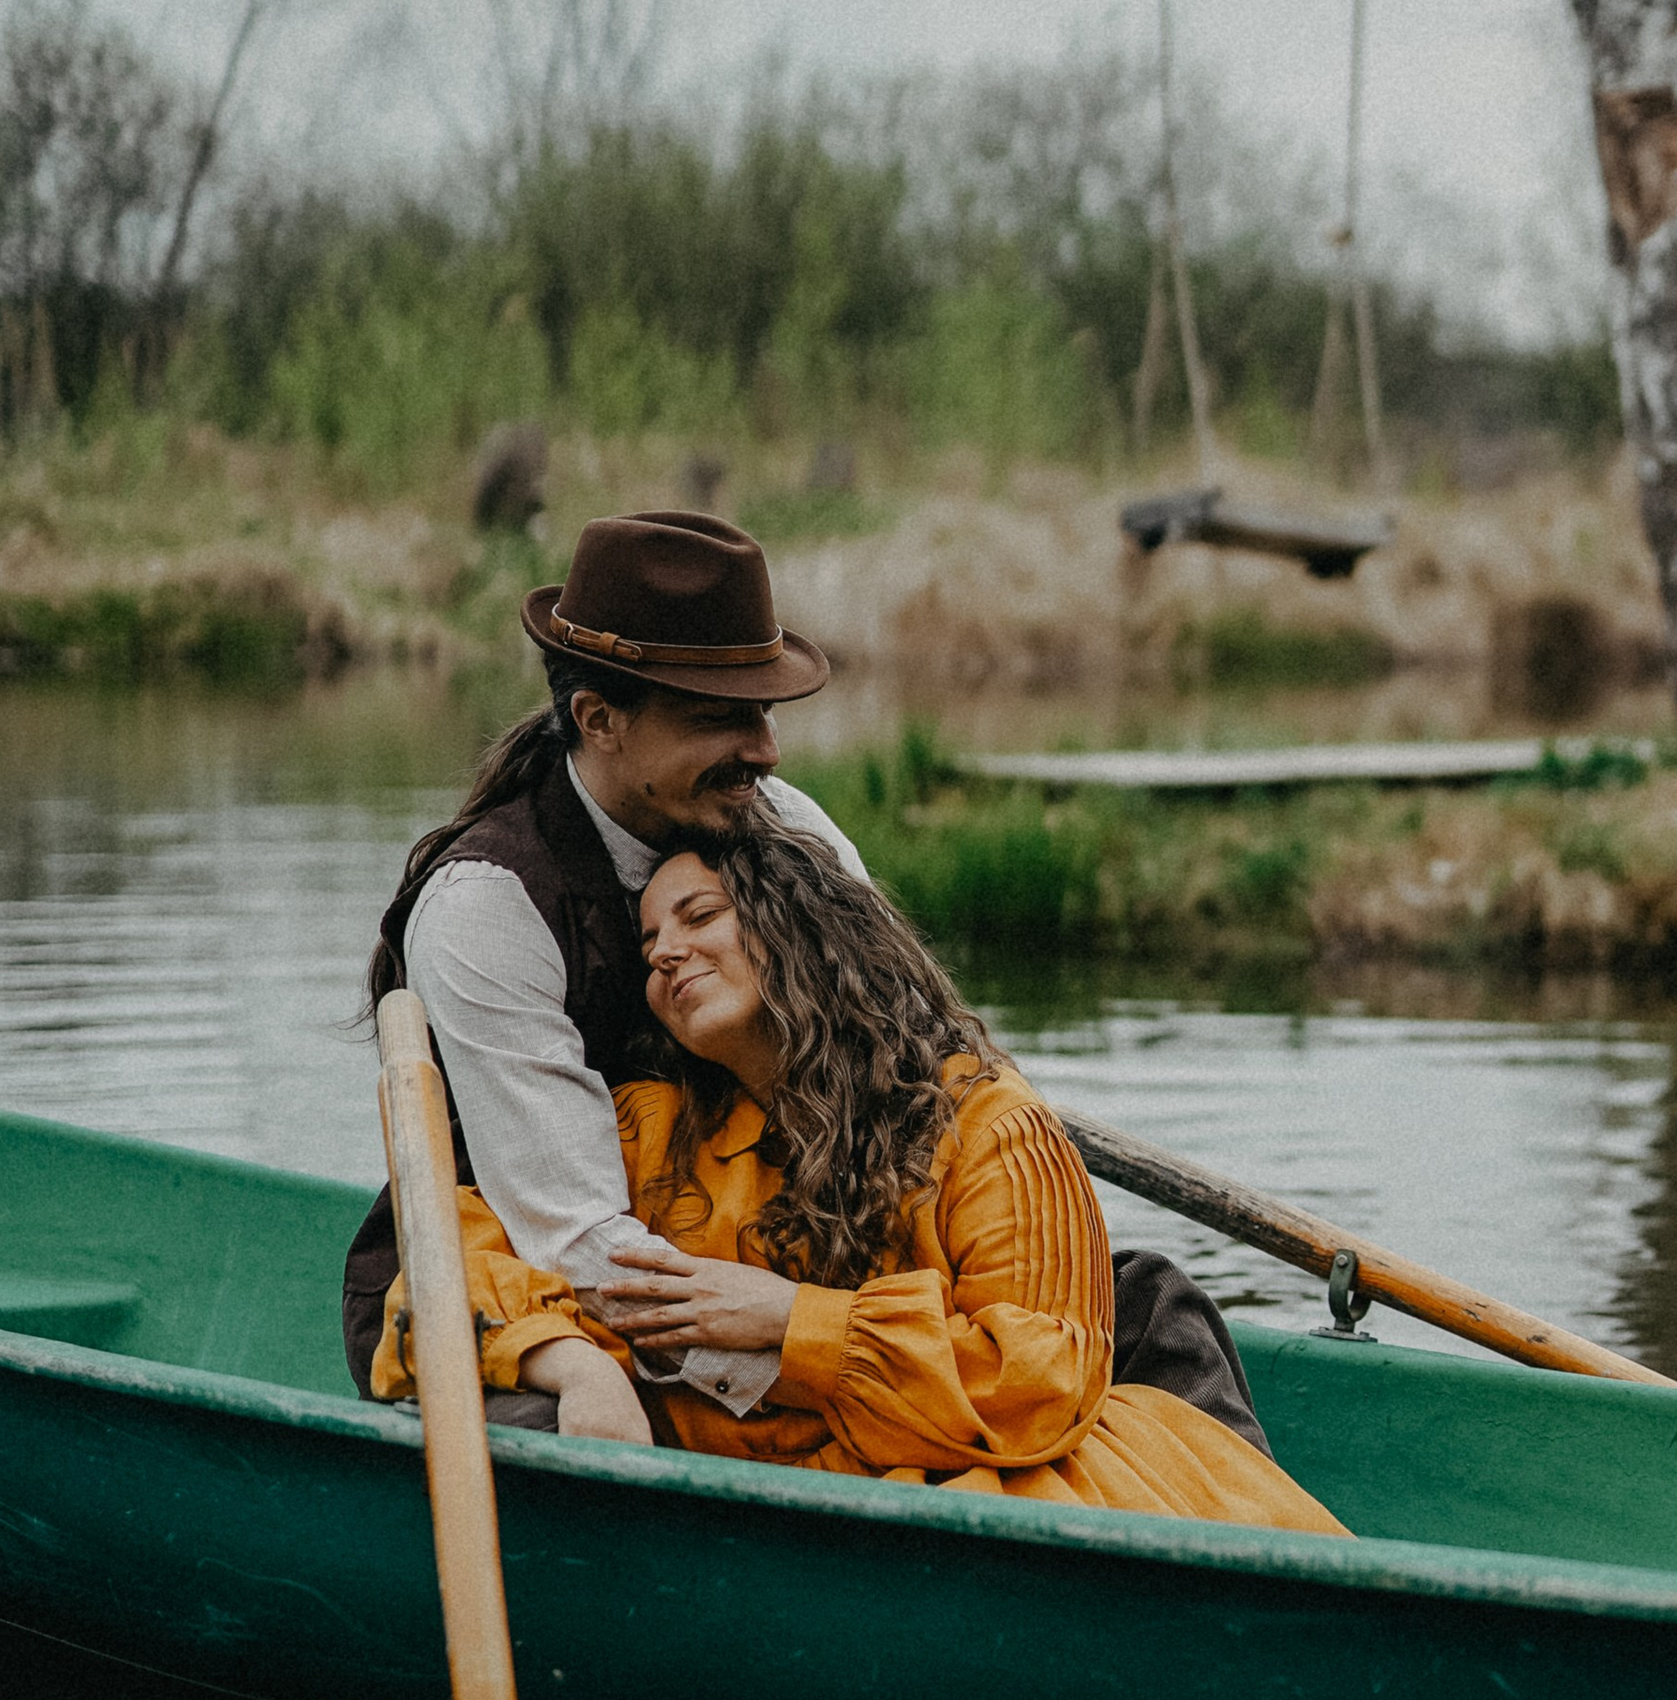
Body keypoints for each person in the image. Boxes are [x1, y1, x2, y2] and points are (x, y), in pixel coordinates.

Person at [343, 505, 1269, 1453]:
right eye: (721, 718)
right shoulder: (486, 906)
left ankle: (1254, 1559)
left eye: (765, 712)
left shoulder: (783, 822)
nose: (766, 751)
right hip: (544, 1292)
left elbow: (909, 1056)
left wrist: (861, 1316)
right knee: (563, 1430)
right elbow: (579, 1239)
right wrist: (803, 1364)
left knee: (1133, 1302)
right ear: (598, 719)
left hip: (796, 1250)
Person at [372, 815, 1346, 1536]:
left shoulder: (985, 1124)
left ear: (799, 929)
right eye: (648, 943)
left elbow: (1040, 1382)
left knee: (1146, 1300)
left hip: (961, 1499)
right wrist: (577, 1366)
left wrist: (792, 1324)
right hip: (749, 1513)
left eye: (698, 914)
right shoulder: (650, 1129)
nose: (664, 950)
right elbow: (449, 1250)